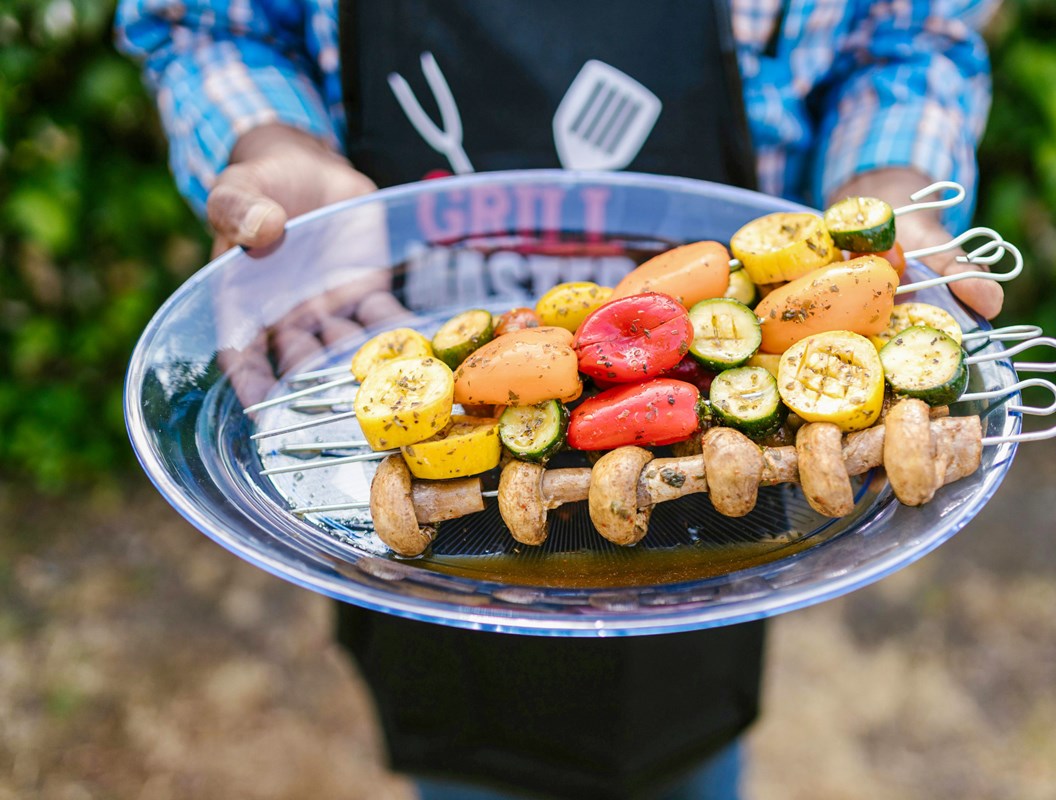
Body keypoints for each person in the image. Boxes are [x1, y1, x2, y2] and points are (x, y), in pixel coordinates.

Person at [116, 2, 1003, 798]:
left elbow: (905, 35)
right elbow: (211, 23)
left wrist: (889, 191)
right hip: (382, 319)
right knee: (459, 752)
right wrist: (275, 141)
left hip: (712, 502)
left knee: (686, 748)